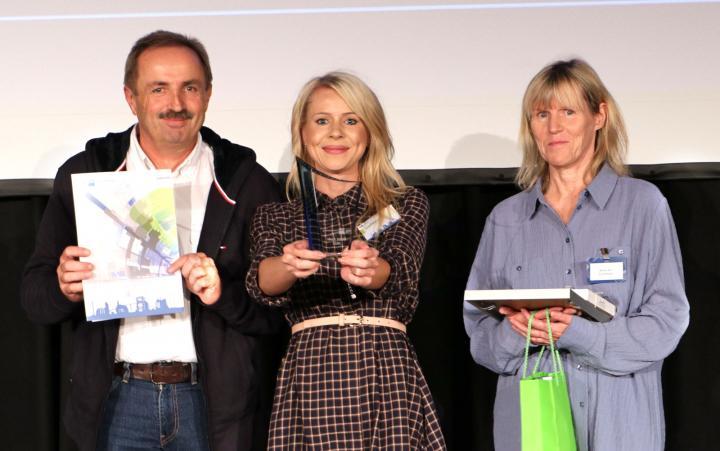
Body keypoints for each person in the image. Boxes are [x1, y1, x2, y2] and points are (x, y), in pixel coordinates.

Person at [20, 30, 282, 450]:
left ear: (208, 95)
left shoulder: (247, 182)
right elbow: (34, 298)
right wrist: (62, 286)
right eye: (158, 88)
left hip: (215, 408)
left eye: (189, 88)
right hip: (117, 401)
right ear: (131, 97)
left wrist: (222, 293)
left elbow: (276, 315)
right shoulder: (88, 173)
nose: (175, 104)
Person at [464, 59, 690, 451]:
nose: (554, 127)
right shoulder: (505, 219)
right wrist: (515, 335)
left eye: (568, 111)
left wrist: (579, 334)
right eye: (541, 114)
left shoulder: (643, 206)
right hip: (531, 430)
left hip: (621, 427)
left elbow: (667, 321)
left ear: (599, 115)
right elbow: (480, 340)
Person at [245, 71, 446, 449]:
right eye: (322, 121)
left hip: (383, 370)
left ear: (369, 133)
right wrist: (288, 266)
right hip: (312, 374)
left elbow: (399, 270)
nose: (335, 132)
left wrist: (371, 269)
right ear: (302, 133)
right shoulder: (275, 215)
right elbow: (261, 282)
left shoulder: (404, 204)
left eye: (350, 120)